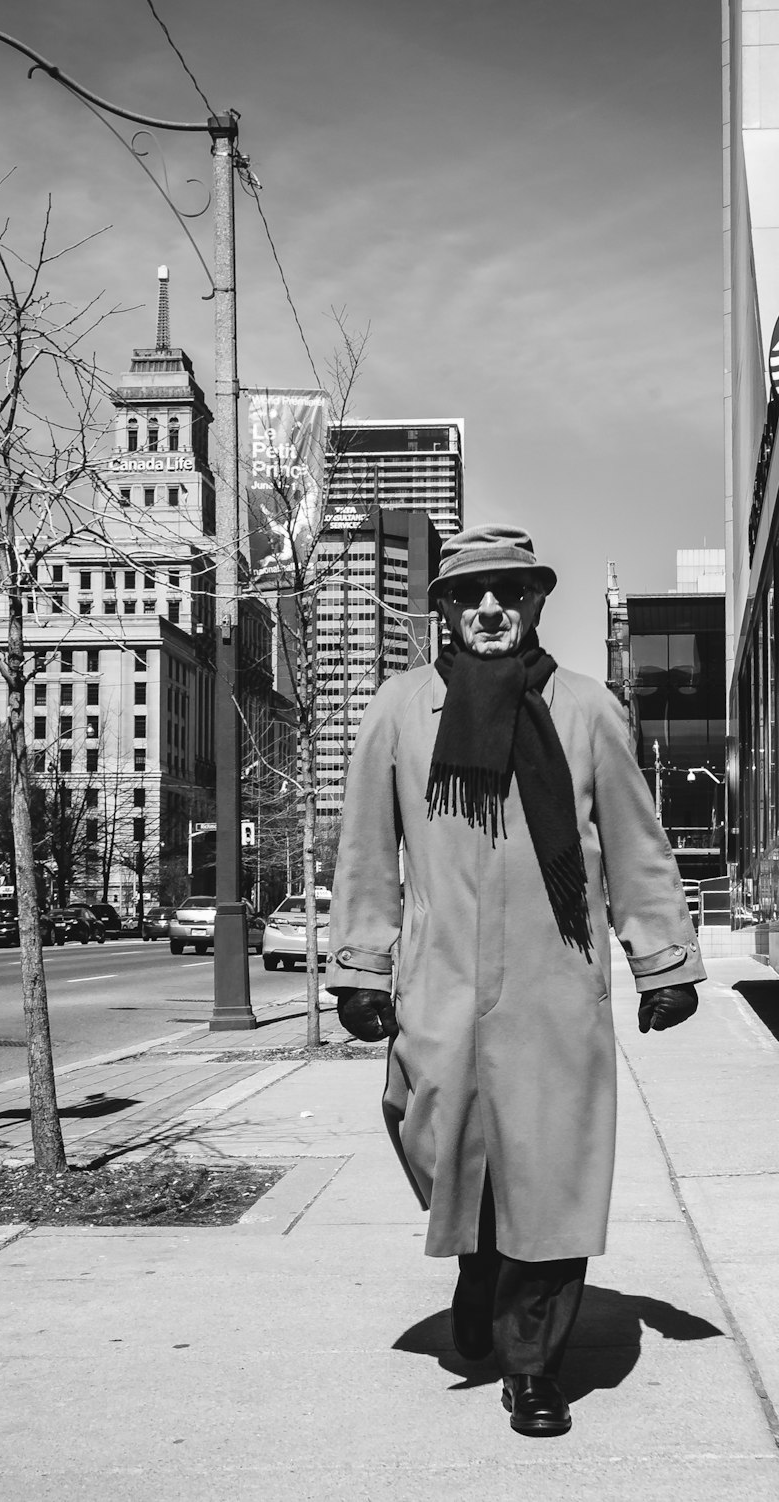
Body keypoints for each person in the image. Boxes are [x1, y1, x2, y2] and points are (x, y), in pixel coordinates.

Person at [327, 524, 704, 1438]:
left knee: (552, 1177)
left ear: (537, 602)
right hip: (440, 986)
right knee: (441, 1146)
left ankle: (534, 1367)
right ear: (446, 611)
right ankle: (480, 1264)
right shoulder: (396, 711)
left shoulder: (587, 709)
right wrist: (361, 965)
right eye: (468, 595)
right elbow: (368, 853)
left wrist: (662, 961)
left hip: (555, 988)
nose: (489, 608)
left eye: (509, 592)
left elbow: (635, 845)